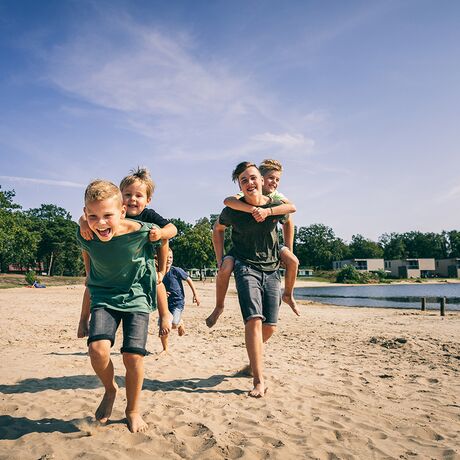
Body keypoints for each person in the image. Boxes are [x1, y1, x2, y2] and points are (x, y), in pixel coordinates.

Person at [76, 179, 171, 433]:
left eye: (108, 215)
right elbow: (88, 262)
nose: (101, 222)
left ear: (121, 212)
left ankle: (132, 410)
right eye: (93, 216)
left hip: (136, 297)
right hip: (104, 297)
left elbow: (164, 239)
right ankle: (110, 389)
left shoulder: (141, 230)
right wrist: (83, 315)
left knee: (132, 356)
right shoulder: (85, 233)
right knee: (97, 351)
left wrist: (161, 271)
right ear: (85, 214)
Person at [212, 161, 286, 398]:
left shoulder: (275, 203)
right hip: (245, 267)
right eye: (244, 180)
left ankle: (253, 363)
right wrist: (220, 257)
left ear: (262, 181)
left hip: (272, 269)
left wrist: (287, 249)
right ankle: (258, 380)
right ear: (240, 187)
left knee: (270, 326)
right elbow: (218, 229)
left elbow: (291, 212)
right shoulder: (233, 209)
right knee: (253, 320)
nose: (250, 182)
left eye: (253, 177)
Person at [77, 167, 177, 339]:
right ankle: (83, 318)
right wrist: (83, 222)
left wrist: (160, 236)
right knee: (91, 283)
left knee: (157, 281)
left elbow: (172, 230)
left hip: (146, 258)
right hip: (117, 261)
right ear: (119, 197)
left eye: (139, 195)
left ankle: (165, 313)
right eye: (128, 194)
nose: (132, 199)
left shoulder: (148, 215)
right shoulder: (110, 215)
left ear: (148, 200)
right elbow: (86, 217)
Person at [206, 159, 299, 329]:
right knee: (224, 268)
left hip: (270, 245)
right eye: (271, 178)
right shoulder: (244, 195)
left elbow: (290, 214)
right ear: (261, 178)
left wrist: (287, 248)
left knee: (293, 260)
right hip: (243, 248)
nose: (274, 183)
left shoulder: (276, 197)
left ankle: (288, 295)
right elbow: (228, 201)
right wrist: (252, 210)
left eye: (277, 179)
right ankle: (219, 306)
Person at [159, 249, 201, 354]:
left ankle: (180, 323)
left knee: (173, 323)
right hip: (164, 303)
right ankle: (165, 349)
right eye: (167, 257)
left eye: (171, 257)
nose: (169, 259)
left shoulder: (176, 270)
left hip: (177, 302)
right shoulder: (159, 273)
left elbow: (189, 279)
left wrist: (195, 294)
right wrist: (162, 293)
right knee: (163, 326)